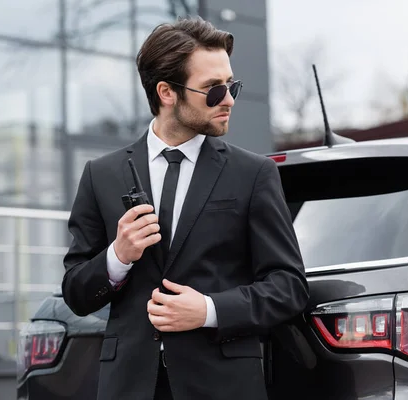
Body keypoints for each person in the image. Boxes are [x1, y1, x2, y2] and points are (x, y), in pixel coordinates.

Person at [61, 16, 309, 400]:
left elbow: (289, 286)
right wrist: (117, 257)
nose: (228, 99)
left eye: (232, 86)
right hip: (128, 386)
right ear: (166, 92)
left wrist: (210, 310)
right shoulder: (101, 174)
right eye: (212, 89)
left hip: (222, 385)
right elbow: (76, 293)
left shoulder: (253, 173)